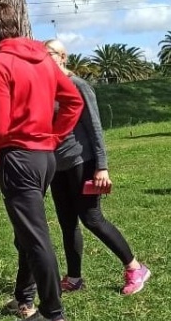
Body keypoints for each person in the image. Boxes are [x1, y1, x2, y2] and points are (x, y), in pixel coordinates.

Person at [0, 2, 83, 321]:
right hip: (45, 158)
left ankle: (52, 313)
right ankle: (25, 295)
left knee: (34, 236)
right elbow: (73, 101)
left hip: (19, 159)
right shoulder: (44, 58)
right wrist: (53, 136)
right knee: (28, 233)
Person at [33, 39, 150, 295]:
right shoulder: (46, 88)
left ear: (63, 57)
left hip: (81, 161)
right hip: (58, 165)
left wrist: (102, 166)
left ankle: (135, 267)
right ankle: (74, 277)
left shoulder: (78, 85)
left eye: (50, 53)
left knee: (92, 218)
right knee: (67, 223)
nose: (45, 58)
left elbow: (95, 127)